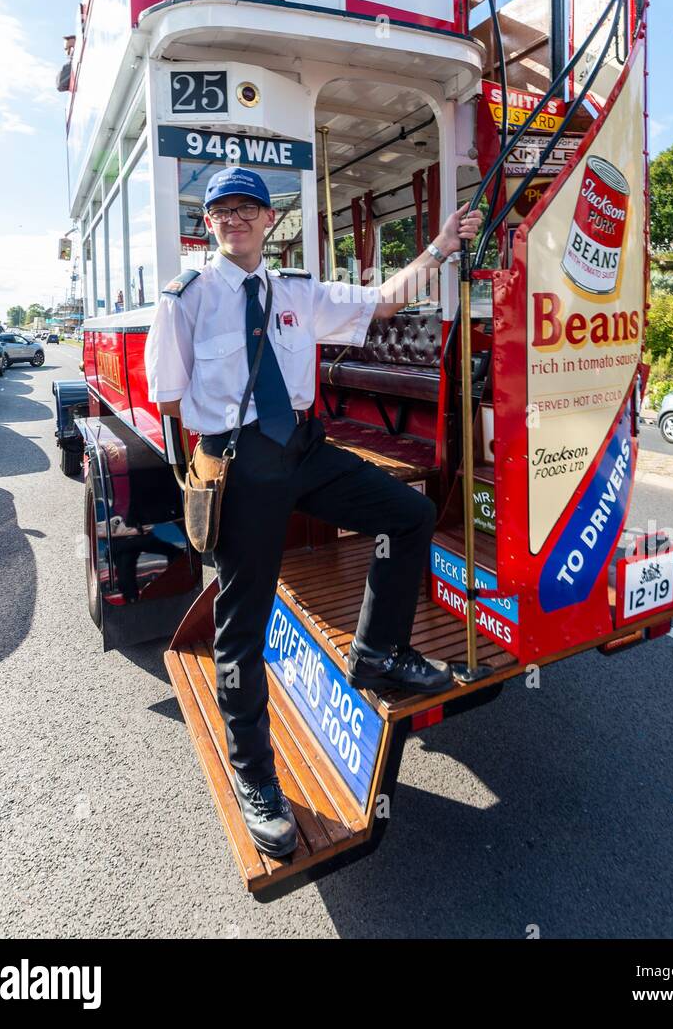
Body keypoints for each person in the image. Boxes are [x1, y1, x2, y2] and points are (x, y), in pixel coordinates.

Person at [145, 166, 482, 858]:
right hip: (241, 468)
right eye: (221, 211)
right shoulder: (184, 299)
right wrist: (226, 447)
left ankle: (375, 652)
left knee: (408, 517)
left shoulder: (297, 291)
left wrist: (441, 246)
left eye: (249, 209)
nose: (235, 219)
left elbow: (383, 302)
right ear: (206, 224)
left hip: (303, 448)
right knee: (242, 627)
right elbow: (171, 398)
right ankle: (256, 779)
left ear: (270, 222)